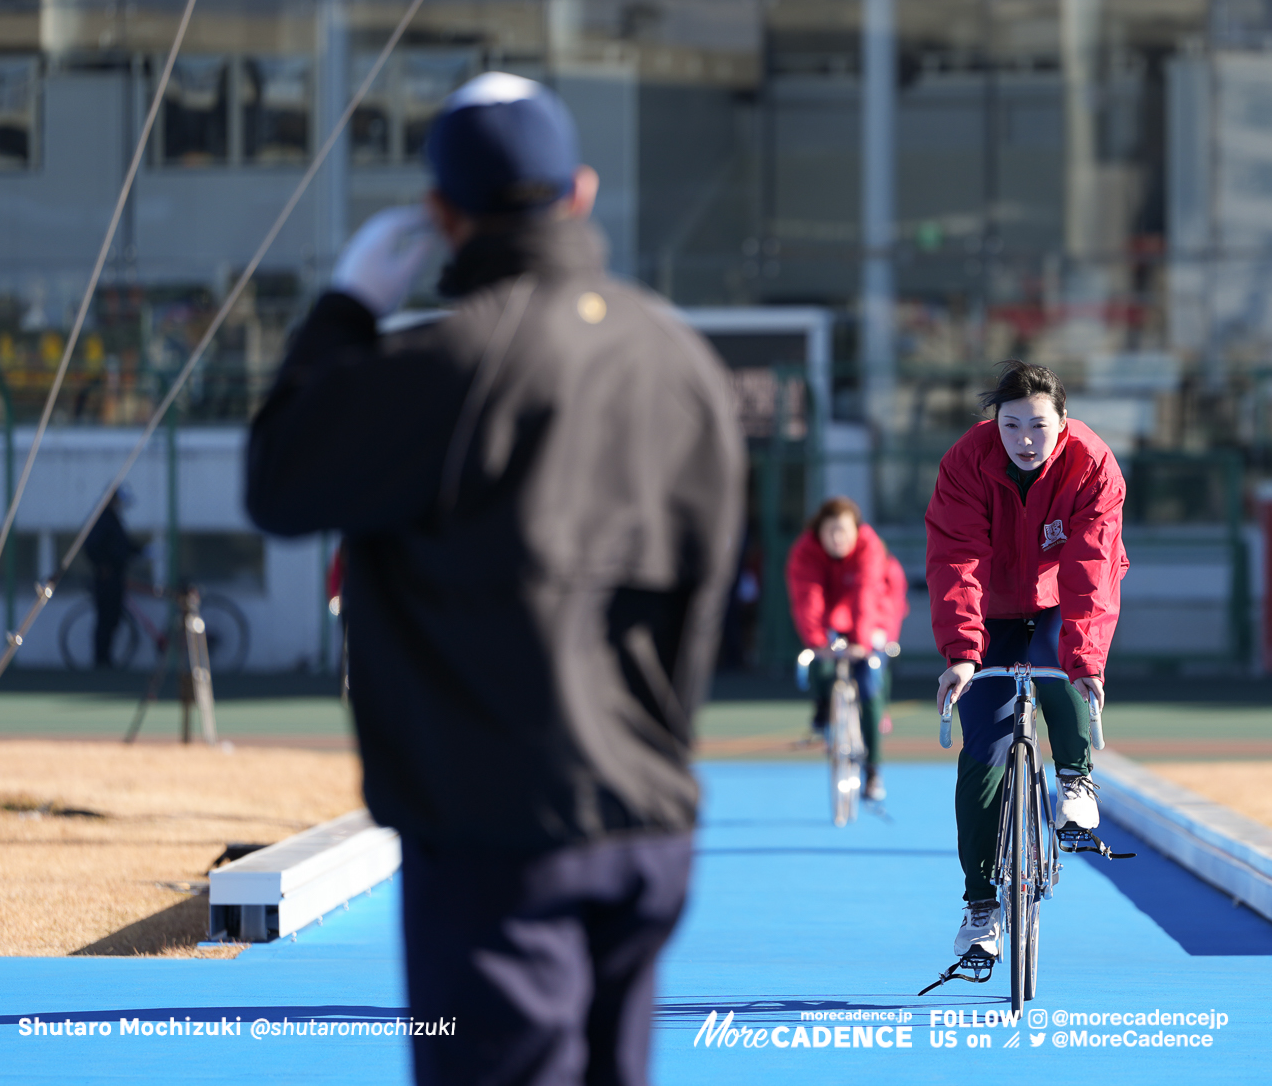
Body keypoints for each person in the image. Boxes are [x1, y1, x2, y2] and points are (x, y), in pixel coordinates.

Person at [244, 72, 743, 1086]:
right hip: (647, 812)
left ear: (439, 213)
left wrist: (344, 310)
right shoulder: (682, 361)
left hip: (497, 824)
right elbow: (709, 593)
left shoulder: (451, 362)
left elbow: (280, 479)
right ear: (583, 190)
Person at [925, 360, 1128, 959]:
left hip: (1062, 597)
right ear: (996, 424)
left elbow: (1091, 564)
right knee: (983, 754)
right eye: (1011, 426)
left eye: (1038, 425)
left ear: (1063, 422)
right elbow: (955, 559)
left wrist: (1088, 659)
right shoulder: (966, 462)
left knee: (1066, 665)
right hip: (989, 609)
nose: (1024, 440)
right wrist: (963, 654)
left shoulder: (1091, 463)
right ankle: (981, 906)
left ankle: (1074, 778)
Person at [785, 496, 907, 801]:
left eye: (844, 531)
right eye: (831, 531)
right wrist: (817, 642)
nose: (838, 538)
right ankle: (824, 704)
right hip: (834, 612)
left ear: (857, 530)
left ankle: (874, 769)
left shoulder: (871, 547)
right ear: (818, 532)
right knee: (820, 661)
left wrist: (864, 644)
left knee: (870, 678)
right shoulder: (805, 552)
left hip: (878, 605)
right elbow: (807, 597)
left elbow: (867, 596)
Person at [83, 487, 142, 669]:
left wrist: (141, 551)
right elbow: (92, 546)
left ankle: (105, 658)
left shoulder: (113, 519)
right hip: (106, 580)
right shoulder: (103, 520)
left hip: (115, 577)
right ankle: (101, 660)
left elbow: (122, 545)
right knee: (105, 619)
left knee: (113, 618)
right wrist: (103, 566)